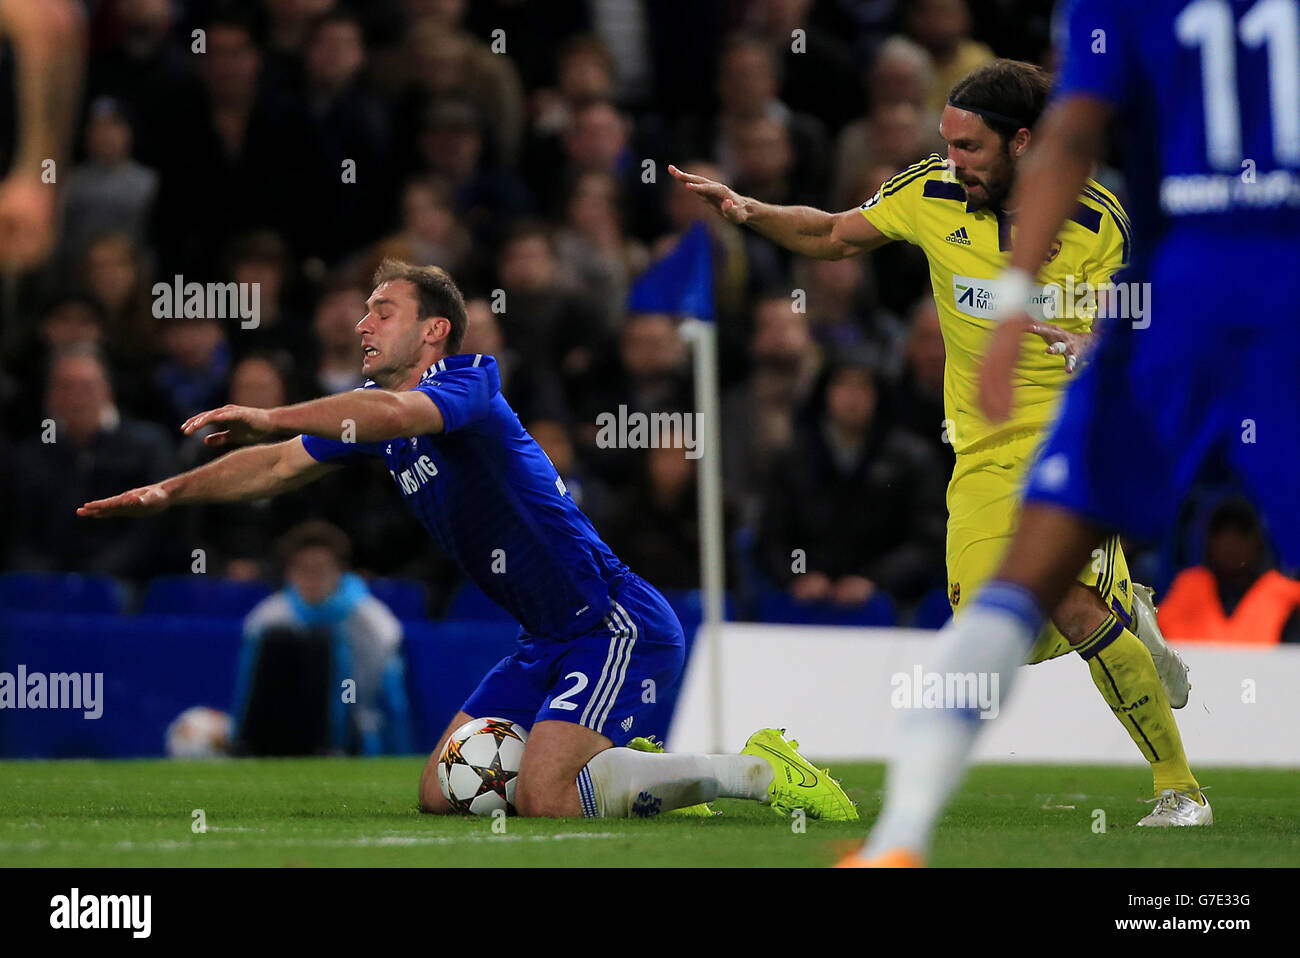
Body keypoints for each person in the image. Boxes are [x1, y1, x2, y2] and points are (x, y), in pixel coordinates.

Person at [78, 258, 857, 822]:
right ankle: (640, 780)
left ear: (433, 330)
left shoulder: (470, 382)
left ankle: (751, 769)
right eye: (364, 309)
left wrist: (275, 410)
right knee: (440, 792)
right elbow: (279, 466)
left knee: (544, 799)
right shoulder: (369, 414)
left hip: (613, 623)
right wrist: (167, 491)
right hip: (543, 639)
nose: (362, 322)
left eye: (382, 309)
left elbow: (382, 418)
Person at [671, 58, 1201, 825]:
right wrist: (751, 210)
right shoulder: (929, 192)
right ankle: (1132, 628)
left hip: (1070, 444)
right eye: (947, 143)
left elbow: (1153, 328)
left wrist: (1094, 347)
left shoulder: (1096, 221)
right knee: (990, 634)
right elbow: (831, 234)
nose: (953, 161)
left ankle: (1178, 790)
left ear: (1023, 143)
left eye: (969, 148)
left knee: (1076, 607)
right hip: (980, 453)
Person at [848, 0, 1300, 866]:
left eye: (971, 143)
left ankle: (907, 840)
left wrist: (1024, 301)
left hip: (1193, 285)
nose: (956, 160)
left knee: (1043, 582)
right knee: (999, 605)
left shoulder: (1114, 13)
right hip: (1227, 281)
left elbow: (1075, 134)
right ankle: (903, 837)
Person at [1158, 500, 1300, 646]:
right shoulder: (1189, 586)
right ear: (1210, 541)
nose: (1231, 543)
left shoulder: (1282, 593)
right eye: (1222, 534)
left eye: (1240, 534)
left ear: (1257, 542)